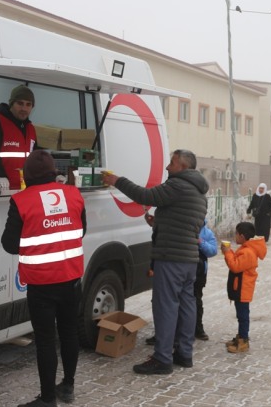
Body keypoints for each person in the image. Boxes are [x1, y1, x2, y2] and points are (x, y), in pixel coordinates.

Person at [101, 150, 208, 375]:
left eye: (172, 163)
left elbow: (145, 196)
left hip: (171, 259)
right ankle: (184, 354)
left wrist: (117, 180)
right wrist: (159, 223)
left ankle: (162, 359)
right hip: (189, 260)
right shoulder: (199, 193)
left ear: (183, 167)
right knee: (186, 305)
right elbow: (187, 225)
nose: (168, 167)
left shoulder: (178, 185)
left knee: (165, 307)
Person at [2, 150, 86, 407]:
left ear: (27, 174)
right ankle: (68, 386)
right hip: (71, 278)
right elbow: (82, 230)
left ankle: (48, 399)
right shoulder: (73, 194)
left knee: (46, 340)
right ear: (53, 171)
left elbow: (9, 244)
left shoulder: (21, 201)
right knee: (70, 333)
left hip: (41, 284)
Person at [145, 218, 217, 344]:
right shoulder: (178, 227)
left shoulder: (207, 232)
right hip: (178, 270)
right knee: (173, 302)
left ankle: (197, 330)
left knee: (194, 301)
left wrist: (201, 242)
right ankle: (170, 334)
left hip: (198, 273)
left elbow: (213, 251)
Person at [0, 85, 37, 191]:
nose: (24, 108)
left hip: (22, 191)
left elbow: (36, 159)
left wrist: (53, 175)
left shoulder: (30, 129)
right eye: (20, 103)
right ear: (12, 103)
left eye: (28, 105)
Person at [221, 221, 267, 353]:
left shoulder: (248, 252)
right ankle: (241, 337)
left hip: (243, 289)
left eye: (236, 234)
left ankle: (243, 341)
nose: (234, 236)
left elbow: (235, 266)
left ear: (242, 236)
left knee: (243, 316)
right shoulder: (246, 248)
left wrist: (227, 252)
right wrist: (229, 253)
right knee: (241, 314)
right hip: (240, 288)